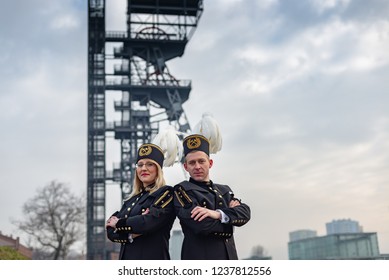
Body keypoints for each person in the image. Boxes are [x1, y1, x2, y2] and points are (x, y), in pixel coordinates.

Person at [174, 134, 251, 259]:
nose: (197, 166)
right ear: (186, 167)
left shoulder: (225, 190)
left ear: (210, 163)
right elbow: (202, 226)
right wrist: (229, 222)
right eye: (192, 163)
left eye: (201, 161)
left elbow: (245, 213)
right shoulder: (182, 190)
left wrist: (217, 214)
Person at [106, 143, 176, 260]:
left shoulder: (166, 193)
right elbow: (110, 231)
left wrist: (119, 224)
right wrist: (131, 234)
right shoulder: (131, 200)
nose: (144, 168)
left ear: (158, 169)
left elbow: (147, 223)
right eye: (140, 165)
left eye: (150, 164)